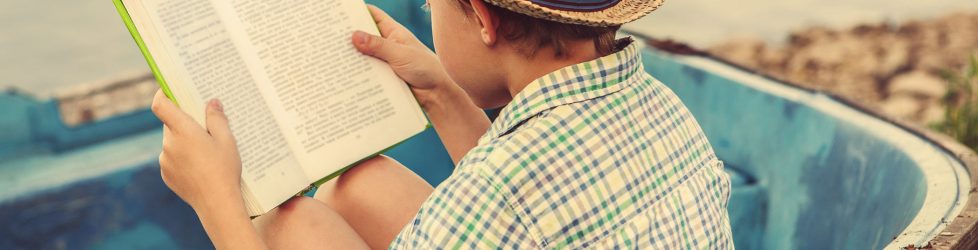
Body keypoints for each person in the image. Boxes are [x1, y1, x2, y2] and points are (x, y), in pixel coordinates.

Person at [151, 0, 733, 248]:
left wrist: (216, 202)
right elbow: (536, 205)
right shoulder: (660, 106)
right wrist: (443, 95)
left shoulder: (496, 191)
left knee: (287, 228)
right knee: (361, 184)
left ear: (482, 19)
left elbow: (507, 201)